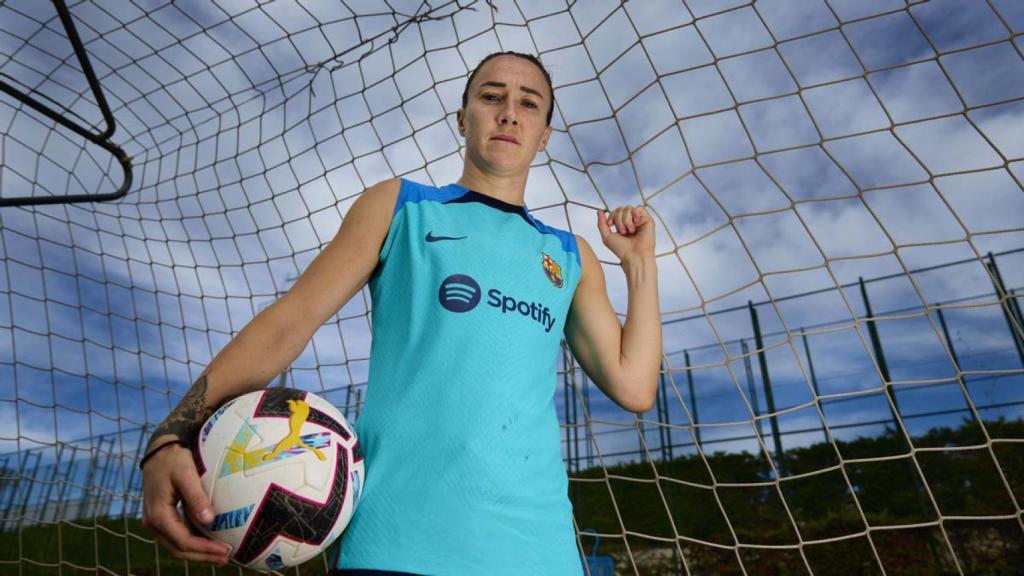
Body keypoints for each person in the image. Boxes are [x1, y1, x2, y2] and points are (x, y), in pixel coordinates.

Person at [140, 51, 662, 575]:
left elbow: (634, 387)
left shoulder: (571, 256)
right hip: (395, 541)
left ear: (544, 135)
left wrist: (640, 267)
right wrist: (171, 436)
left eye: (529, 103)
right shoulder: (401, 206)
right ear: (463, 118)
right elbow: (290, 322)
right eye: (491, 96)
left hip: (538, 553)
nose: (509, 113)